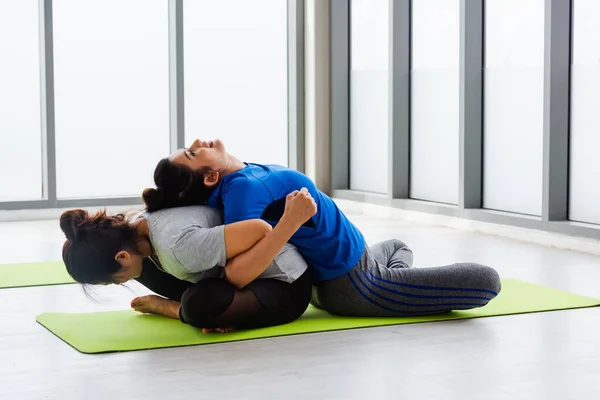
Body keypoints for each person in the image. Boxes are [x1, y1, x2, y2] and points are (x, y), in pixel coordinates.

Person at [142, 138, 502, 317]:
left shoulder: (242, 176)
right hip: (355, 285)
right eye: (191, 154)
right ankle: (396, 291)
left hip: (356, 264)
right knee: (487, 281)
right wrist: (288, 222)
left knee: (397, 244)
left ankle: (403, 288)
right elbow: (238, 271)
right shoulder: (242, 191)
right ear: (210, 176)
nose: (196, 143)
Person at [59, 186, 317, 333]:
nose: (119, 283)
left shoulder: (177, 247)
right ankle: (202, 309)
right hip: (218, 270)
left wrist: (213, 310)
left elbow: (261, 230)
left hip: (285, 283)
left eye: (114, 280)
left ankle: (176, 310)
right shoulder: (141, 228)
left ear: (121, 256)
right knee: (145, 268)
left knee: (199, 306)